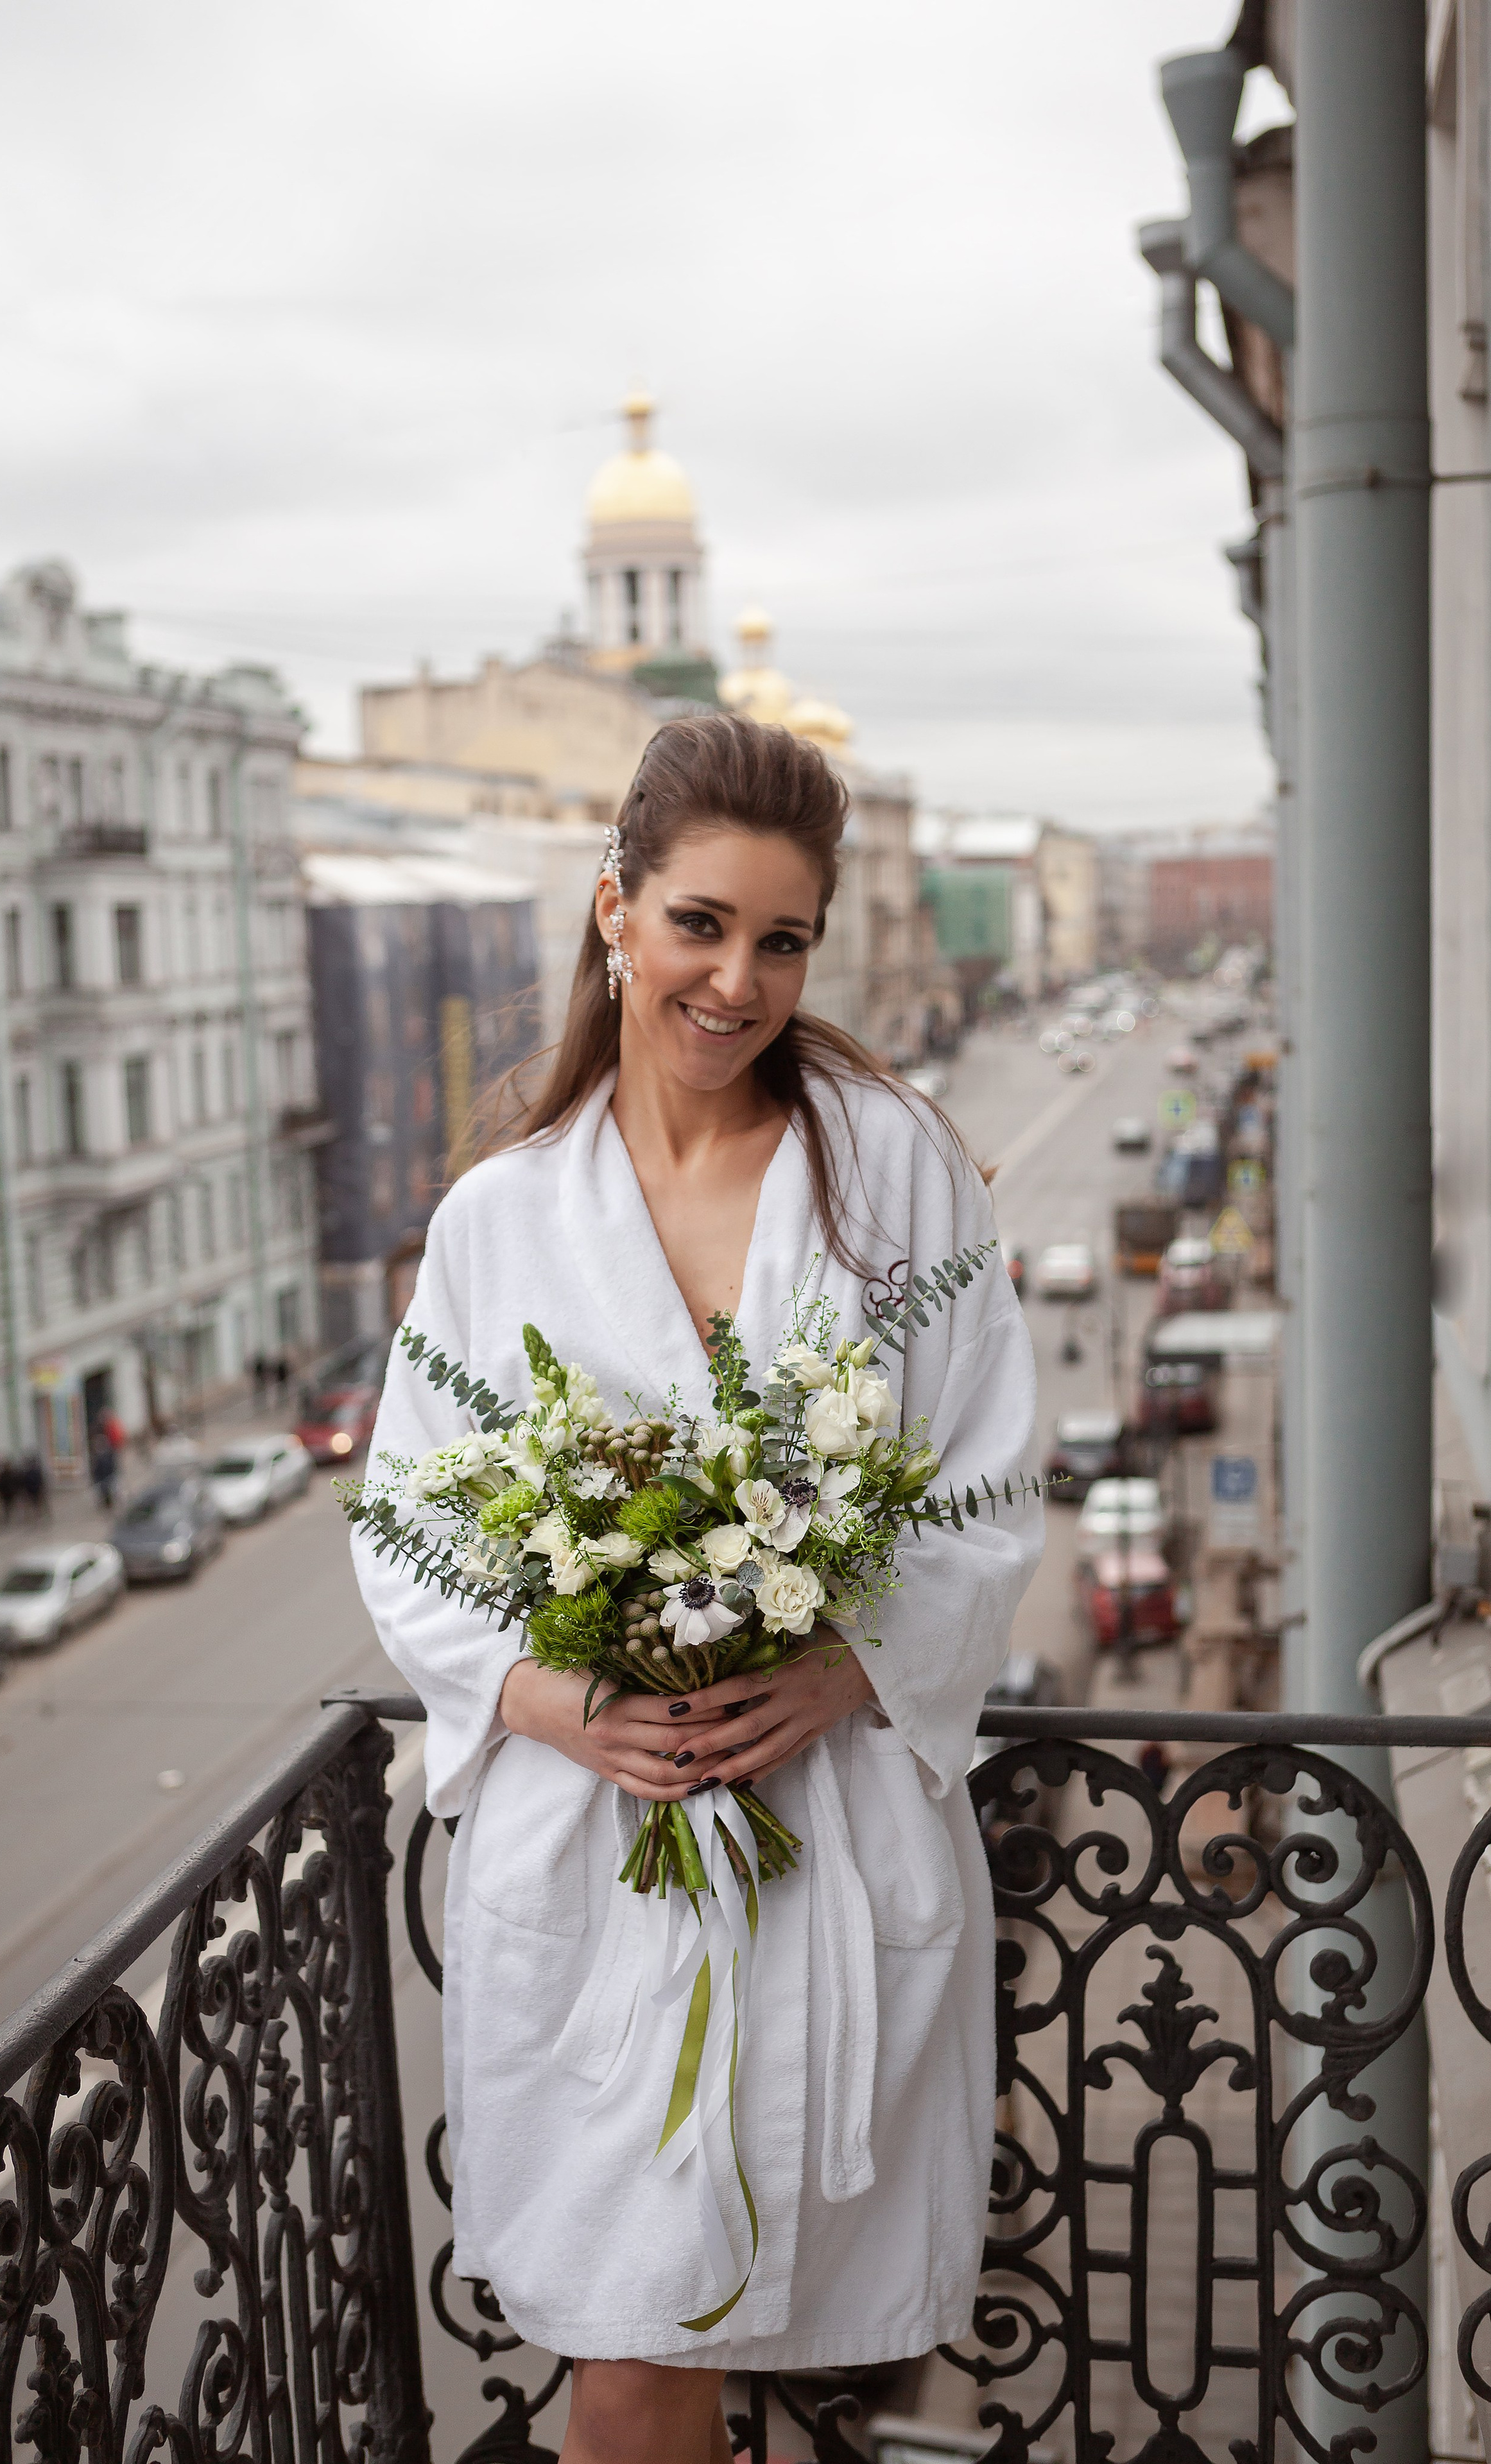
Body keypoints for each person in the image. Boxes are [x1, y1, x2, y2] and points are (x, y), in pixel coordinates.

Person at [351, 715, 1042, 2464]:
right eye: (701, 925)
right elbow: (406, 1528)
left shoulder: (897, 1179)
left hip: (828, 1835)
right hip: (604, 1859)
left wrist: (850, 1667)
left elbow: (991, 1478)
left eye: (784, 938)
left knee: (777, 2336)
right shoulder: (502, 1222)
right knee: (633, 2341)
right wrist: (548, 1694)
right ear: (614, 912)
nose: (739, 980)